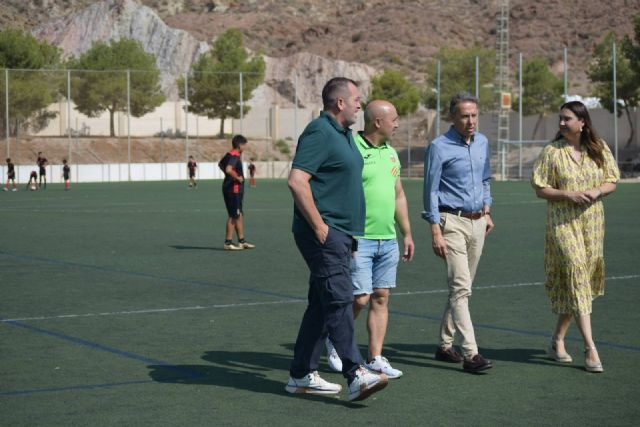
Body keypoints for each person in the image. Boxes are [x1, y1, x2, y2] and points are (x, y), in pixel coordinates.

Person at [285, 77, 389, 402]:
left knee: (320, 303)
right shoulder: (319, 131)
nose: (361, 103)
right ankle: (355, 373)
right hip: (324, 232)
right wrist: (319, 227)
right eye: (356, 98)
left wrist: (348, 235)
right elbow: (297, 180)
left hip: (341, 234)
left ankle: (301, 374)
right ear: (340, 102)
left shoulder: (343, 136)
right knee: (340, 300)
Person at [325, 100, 414, 379]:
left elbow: (398, 194)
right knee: (360, 299)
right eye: (395, 119)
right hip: (358, 239)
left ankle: (375, 357)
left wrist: (407, 232)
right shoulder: (352, 149)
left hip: (387, 240)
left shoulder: (391, 154)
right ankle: (335, 341)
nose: (398, 124)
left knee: (381, 297)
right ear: (378, 122)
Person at [531, 101, 619, 373]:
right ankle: (590, 348)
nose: (561, 123)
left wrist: (597, 191)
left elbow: (612, 179)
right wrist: (567, 194)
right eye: (560, 118)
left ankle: (557, 340)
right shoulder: (552, 152)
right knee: (577, 273)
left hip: (592, 223)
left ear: (582, 122)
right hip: (562, 223)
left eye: (567, 118)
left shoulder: (599, 148)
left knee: (581, 282)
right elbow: (540, 188)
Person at [423, 92, 494, 374]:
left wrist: (487, 211)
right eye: (465, 116)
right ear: (452, 117)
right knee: (461, 287)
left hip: (478, 223)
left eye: (474, 115)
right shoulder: (439, 147)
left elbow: (486, 178)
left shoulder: (483, 142)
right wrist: (434, 231)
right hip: (450, 222)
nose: (471, 121)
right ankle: (471, 353)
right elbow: (430, 190)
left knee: (461, 289)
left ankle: (444, 345)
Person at [220, 135, 255, 251]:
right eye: (244, 144)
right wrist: (236, 178)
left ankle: (241, 241)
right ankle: (228, 242)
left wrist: (229, 177)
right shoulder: (234, 155)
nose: (245, 147)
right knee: (234, 215)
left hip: (232, 188)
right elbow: (228, 169)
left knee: (239, 214)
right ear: (240, 145)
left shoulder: (229, 154)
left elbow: (221, 164)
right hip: (233, 189)